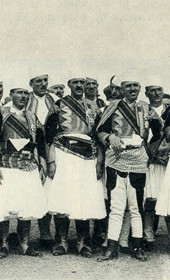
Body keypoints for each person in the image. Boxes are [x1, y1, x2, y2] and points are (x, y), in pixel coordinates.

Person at [45, 77, 106, 258]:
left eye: (82, 83)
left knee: (84, 199)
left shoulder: (95, 108)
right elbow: (49, 134)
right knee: (62, 198)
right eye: (75, 83)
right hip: (63, 154)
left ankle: (83, 242)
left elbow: (99, 137)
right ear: (69, 85)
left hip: (88, 158)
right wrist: (50, 161)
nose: (79, 86)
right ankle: (61, 241)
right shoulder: (59, 104)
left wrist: (100, 161)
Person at [97, 80, 149, 261]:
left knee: (136, 207)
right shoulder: (112, 107)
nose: (132, 89)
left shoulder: (146, 108)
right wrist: (110, 136)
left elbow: (158, 132)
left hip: (138, 161)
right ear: (122, 89)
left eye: (136, 85)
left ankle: (138, 246)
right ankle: (112, 247)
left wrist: (149, 152)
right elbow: (100, 131)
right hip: (116, 160)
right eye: (128, 86)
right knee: (116, 207)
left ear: (140, 88)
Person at [0, 88, 48, 258]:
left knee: (26, 206)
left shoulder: (32, 117)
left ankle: (24, 244)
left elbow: (40, 141)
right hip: (6, 165)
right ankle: (3, 244)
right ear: (11, 95)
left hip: (28, 165)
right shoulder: (2, 114)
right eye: (19, 93)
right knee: (4, 208)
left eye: (26, 93)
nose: (23, 96)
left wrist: (42, 161)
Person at [27, 74, 54, 248]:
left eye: (45, 80)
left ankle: (46, 234)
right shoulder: (23, 100)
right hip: (31, 150)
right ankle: (25, 237)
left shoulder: (56, 101)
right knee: (32, 189)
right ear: (31, 84)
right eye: (38, 81)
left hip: (51, 148)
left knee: (49, 189)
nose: (43, 84)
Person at [144, 85, 170, 250]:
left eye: (159, 89)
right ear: (146, 93)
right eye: (152, 90)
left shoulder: (169, 110)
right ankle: (148, 235)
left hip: (166, 160)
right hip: (148, 159)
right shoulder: (142, 109)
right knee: (149, 199)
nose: (156, 93)